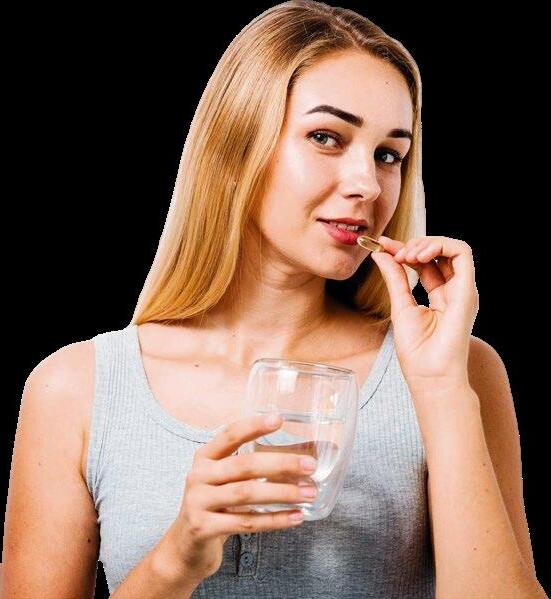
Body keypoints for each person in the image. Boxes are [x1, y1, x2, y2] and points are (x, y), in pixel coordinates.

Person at [3, 1, 543, 598]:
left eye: (389, 154)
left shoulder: (459, 371)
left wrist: (441, 389)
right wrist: (176, 560)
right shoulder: (76, 388)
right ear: (237, 150)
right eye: (326, 138)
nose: (368, 184)